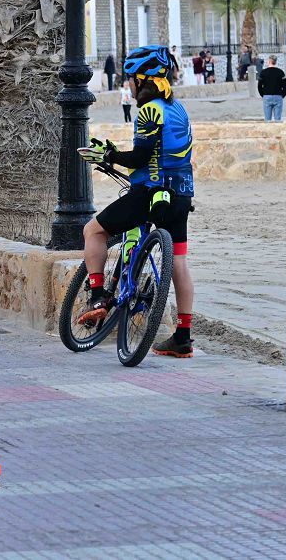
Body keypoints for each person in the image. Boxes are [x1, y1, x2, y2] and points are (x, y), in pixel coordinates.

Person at [77, 45, 196, 358]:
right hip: (181, 193)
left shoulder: (149, 110)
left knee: (94, 231)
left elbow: (142, 156)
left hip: (149, 193)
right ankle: (183, 336)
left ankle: (99, 295)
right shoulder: (179, 109)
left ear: (143, 79)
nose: (128, 83)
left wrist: (109, 155)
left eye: (131, 78)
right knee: (179, 261)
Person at [258, 55, 286, 122]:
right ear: (275, 62)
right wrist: (282, 95)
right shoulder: (280, 72)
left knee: (267, 119)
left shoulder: (263, 72)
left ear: (269, 61)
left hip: (267, 96)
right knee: (278, 119)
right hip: (278, 96)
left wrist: (263, 94)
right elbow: (285, 85)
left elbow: (259, 85)